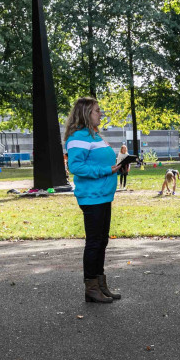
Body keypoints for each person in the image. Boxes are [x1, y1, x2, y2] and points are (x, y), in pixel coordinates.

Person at [65, 97, 134, 303]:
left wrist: (118, 166)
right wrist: (107, 169)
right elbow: (76, 167)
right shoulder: (78, 138)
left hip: (104, 195)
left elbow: (101, 161)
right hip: (91, 197)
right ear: (86, 113)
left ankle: (101, 285)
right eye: (97, 111)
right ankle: (91, 288)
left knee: (102, 241)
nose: (100, 114)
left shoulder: (95, 136)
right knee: (94, 242)